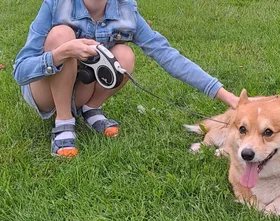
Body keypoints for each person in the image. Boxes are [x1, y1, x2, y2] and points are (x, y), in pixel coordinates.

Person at [13, 0, 239, 158]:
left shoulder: (125, 11)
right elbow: (20, 70)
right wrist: (61, 53)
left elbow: (167, 55)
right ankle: (63, 122)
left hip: (80, 90)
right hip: (46, 94)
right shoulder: (55, 4)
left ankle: (91, 109)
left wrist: (225, 95)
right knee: (61, 34)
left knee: (125, 55)